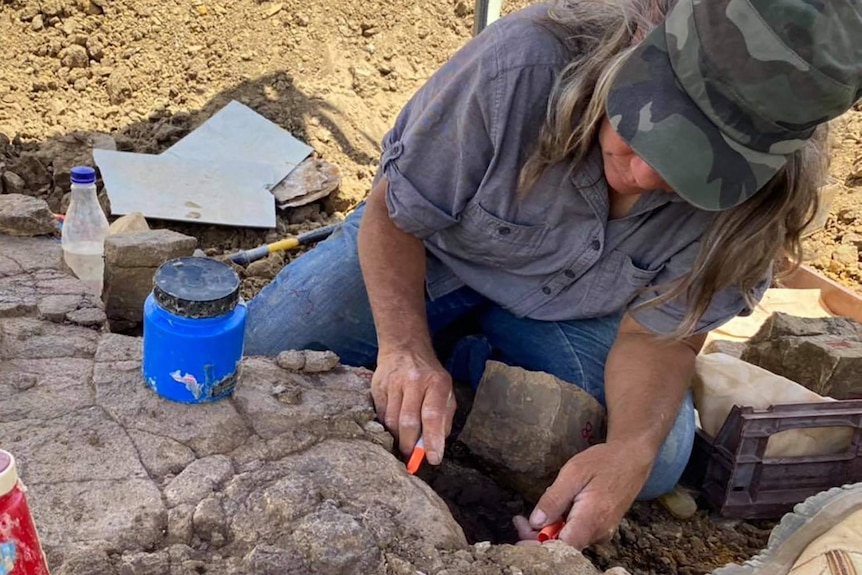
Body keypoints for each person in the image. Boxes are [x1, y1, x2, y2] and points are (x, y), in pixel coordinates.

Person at [245, 0, 862, 550]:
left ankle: (465, 363)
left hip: (564, 311)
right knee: (263, 361)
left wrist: (628, 451)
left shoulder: (762, 203)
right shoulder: (524, 63)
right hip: (427, 254)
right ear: (641, 42)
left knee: (661, 461)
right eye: (644, 127)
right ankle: (433, 350)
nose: (644, 177)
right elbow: (395, 213)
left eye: (692, 169)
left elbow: (658, 334)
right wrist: (404, 347)